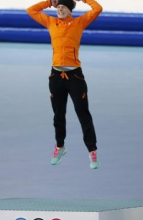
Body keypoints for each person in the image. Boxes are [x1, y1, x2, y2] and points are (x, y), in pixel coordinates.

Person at [27, 0, 102, 169]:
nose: (60, 9)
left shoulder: (79, 23)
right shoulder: (50, 21)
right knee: (58, 114)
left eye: (63, 7)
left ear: (70, 10)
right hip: (56, 76)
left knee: (83, 113)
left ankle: (92, 150)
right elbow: (31, 10)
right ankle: (60, 146)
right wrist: (49, 2)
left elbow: (98, 8)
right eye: (58, 7)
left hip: (75, 75)